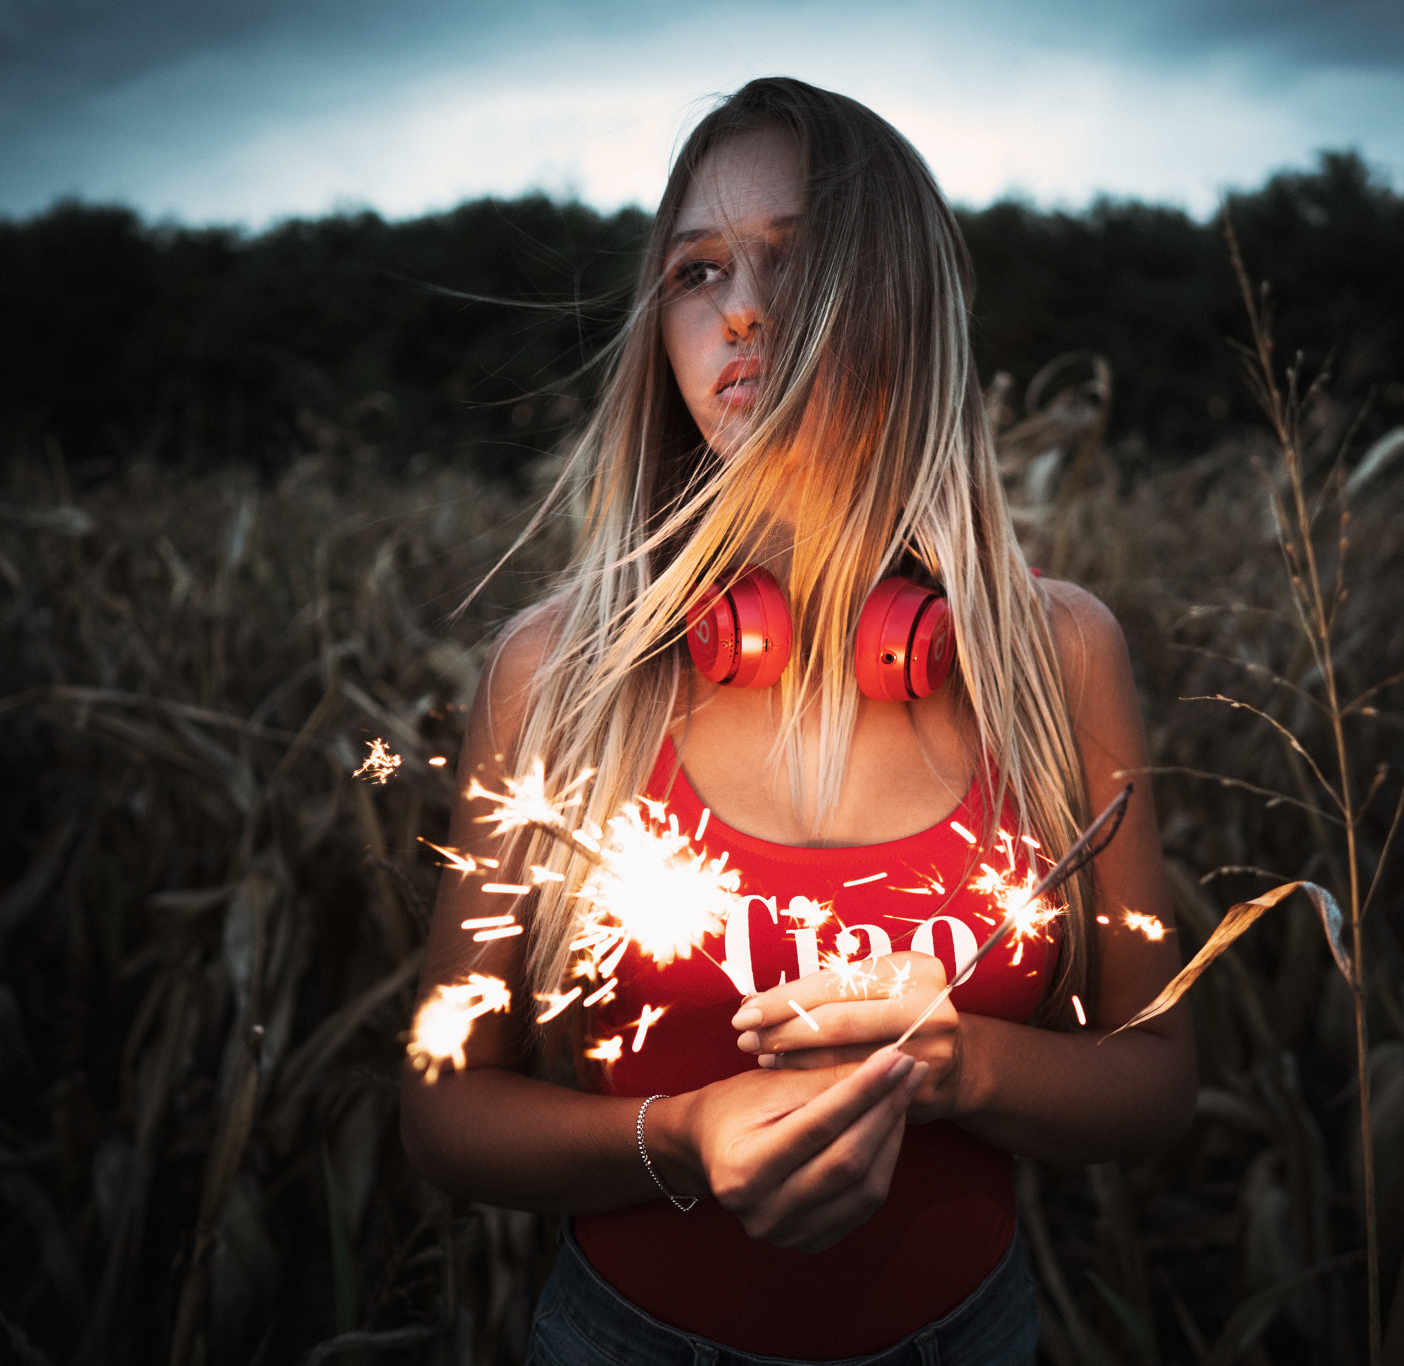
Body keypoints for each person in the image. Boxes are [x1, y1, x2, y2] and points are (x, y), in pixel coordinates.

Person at [398, 77, 1194, 1365]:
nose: (743, 311)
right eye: (697, 272)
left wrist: (955, 1064)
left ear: (908, 305)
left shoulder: (1054, 655)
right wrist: (688, 1136)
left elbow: (1153, 1087)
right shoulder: (555, 674)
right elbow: (443, 1111)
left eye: (798, 260)